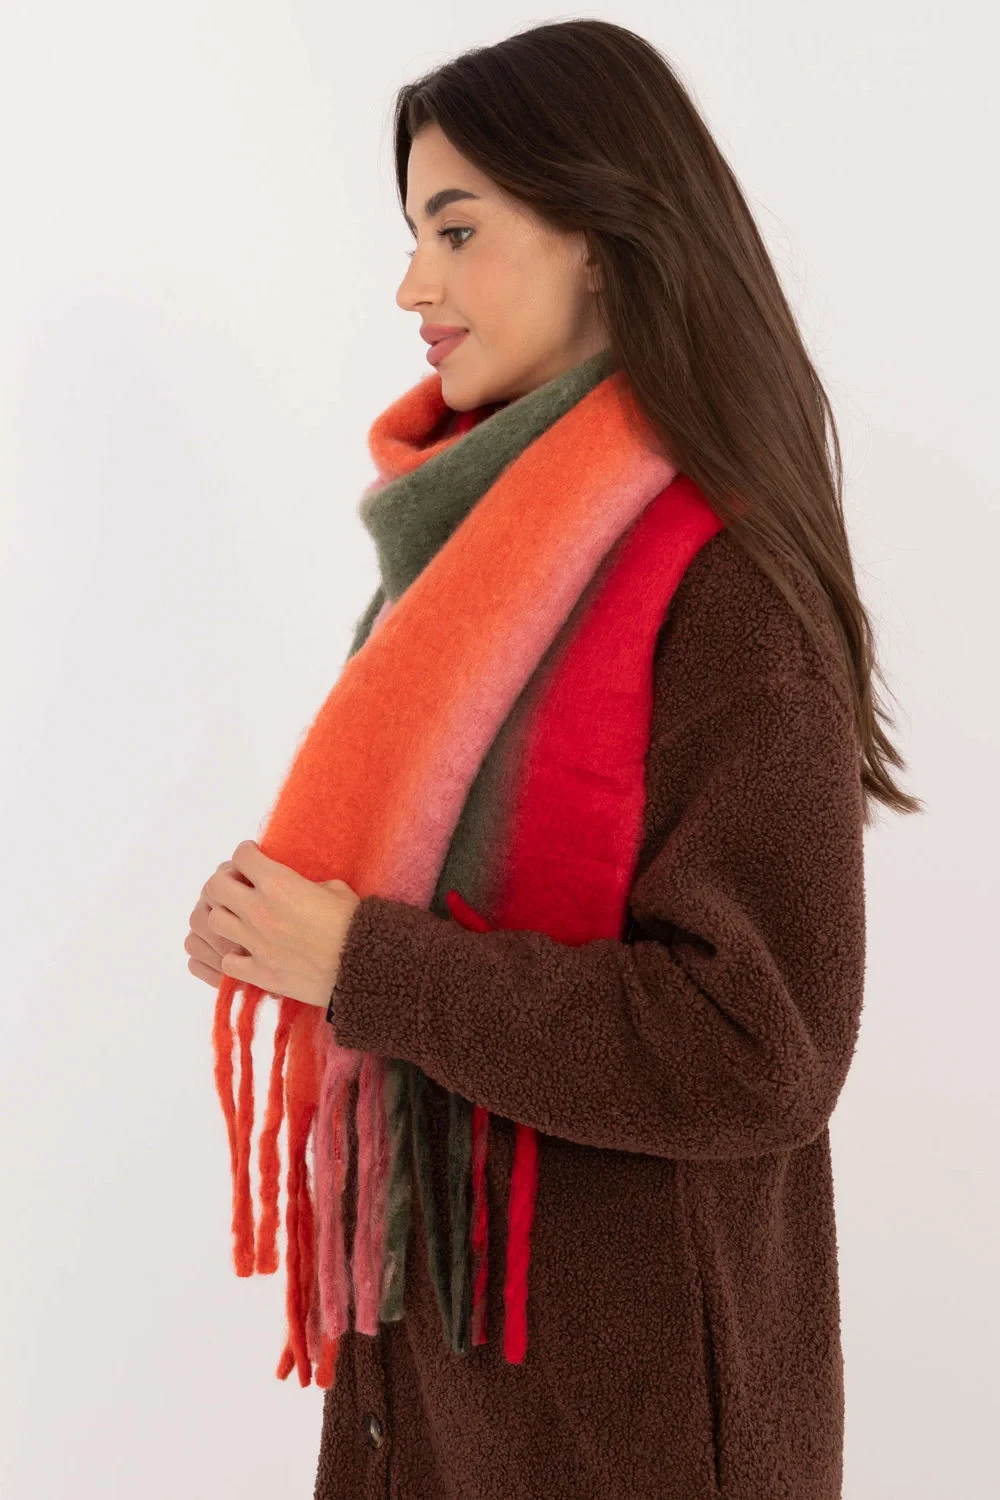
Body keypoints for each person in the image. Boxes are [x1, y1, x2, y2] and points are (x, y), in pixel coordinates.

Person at [185, 19, 921, 1500]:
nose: (414, 287)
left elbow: (761, 1048)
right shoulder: (469, 574)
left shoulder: (726, 586)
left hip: (634, 1436)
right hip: (432, 1397)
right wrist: (288, 934)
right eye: (411, 237)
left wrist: (362, 959)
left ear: (599, 231)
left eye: (457, 231)